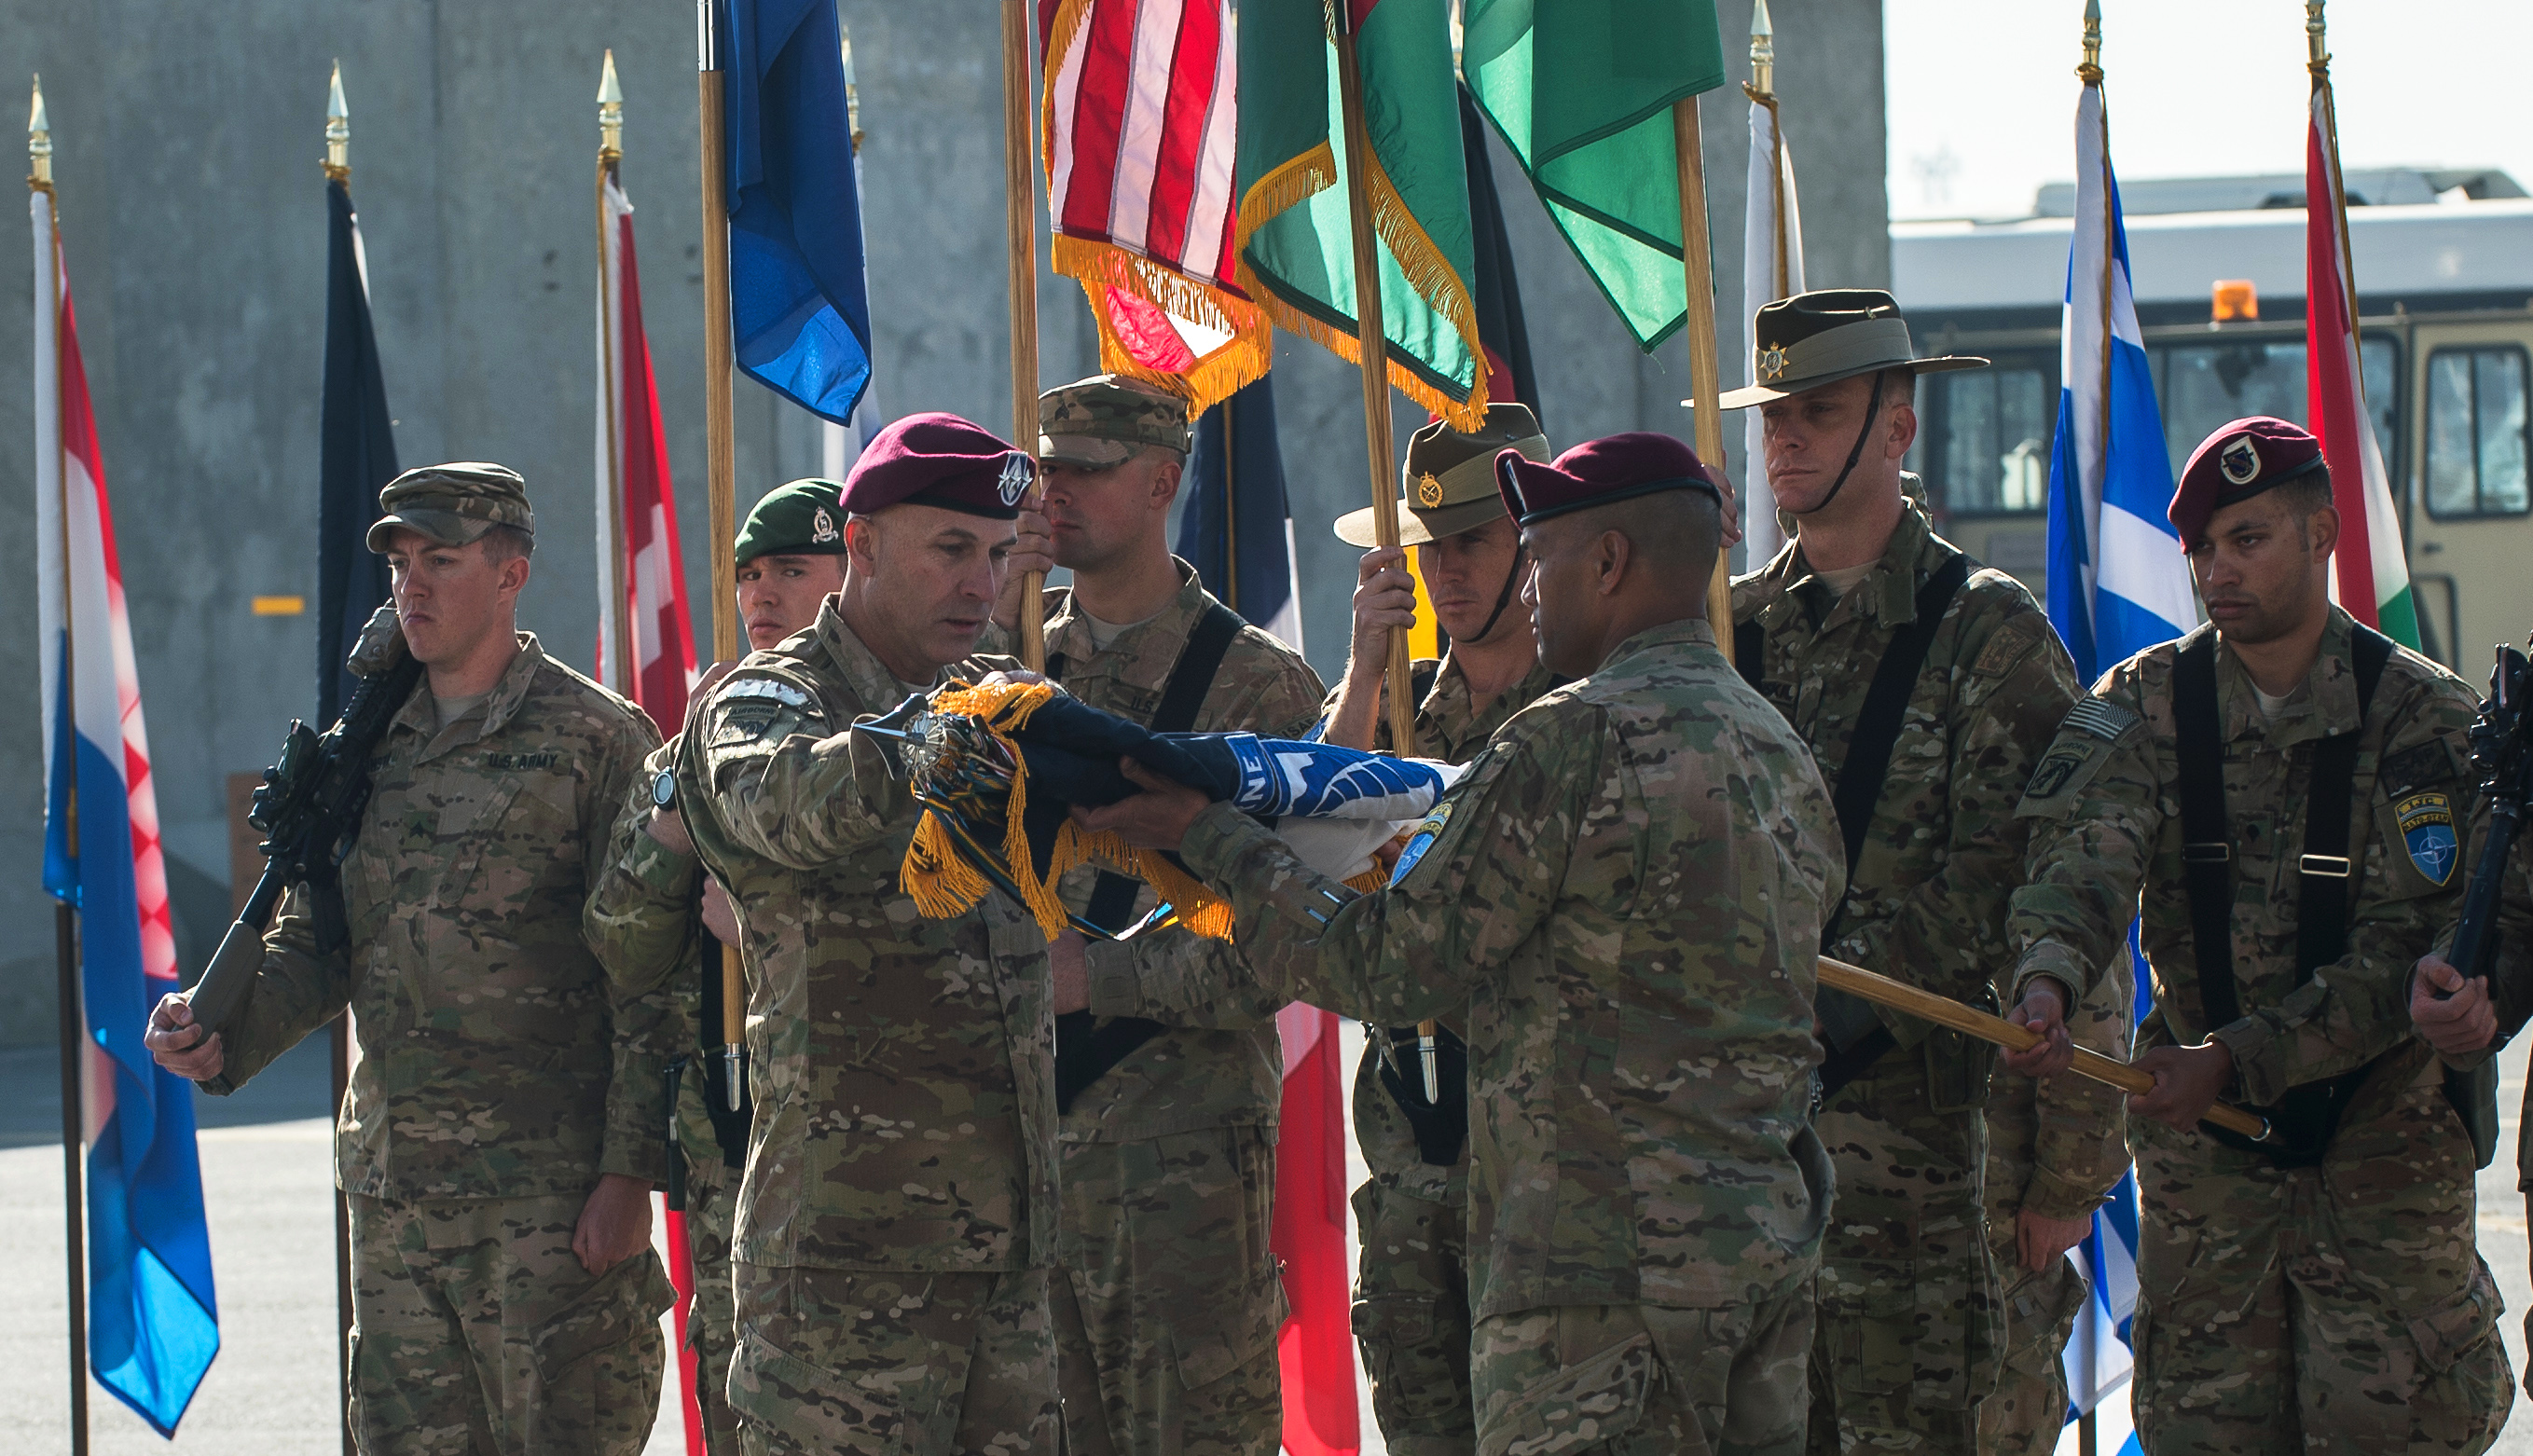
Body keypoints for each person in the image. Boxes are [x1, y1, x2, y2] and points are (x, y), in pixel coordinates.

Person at [1078, 432, 1843, 1455]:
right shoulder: (1774, 743)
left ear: (1608, 562)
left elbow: (1386, 964)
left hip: (1602, 1280)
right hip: (1756, 1253)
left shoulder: (1568, 736)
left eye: (1542, 554)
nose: (1528, 585)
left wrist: (1209, 836)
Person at [143, 462, 679, 1455]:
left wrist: (626, 1174)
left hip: (546, 1204)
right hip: (396, 1204)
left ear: (511, 573)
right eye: (399, 564)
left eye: (441, 559)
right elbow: (322, 941)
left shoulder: (596, 740)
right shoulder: (366, 747)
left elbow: (650, 973)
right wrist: (222, 1033)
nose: (411, 586)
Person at [2002, 416, 2509, 1453]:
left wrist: (2233, 1058)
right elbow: (2080, 866)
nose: (2214, 570)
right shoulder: (2142, 705)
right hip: (2210, 1187)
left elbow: (2406, 953)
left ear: (2321, 533)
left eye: (2246, 539)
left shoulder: (2422, 718)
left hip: (2381, 1168)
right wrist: (2046, 980)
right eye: (2200, 547)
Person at [1719, 289, 2084, 1452]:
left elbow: (2013, 872)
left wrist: (1825, 1002)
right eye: (1771, 416)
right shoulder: (1726, 632)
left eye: (1816, 413)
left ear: (1895, 428)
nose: (1783, 439)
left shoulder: (1986, 631)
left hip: (1911, 1166)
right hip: (1742, 1162)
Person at [670, 413, 1061, 1456]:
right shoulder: (773, 695)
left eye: (997, 555)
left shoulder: (997, 698)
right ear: (864, 545)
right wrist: (933, 742)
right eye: (951, 549)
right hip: (841, 1280)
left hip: (1008, 1264)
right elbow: (782, 801)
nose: (981, 584)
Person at [990, 375, 1324, 1456]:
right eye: (1046, 469)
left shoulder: (1255, 686)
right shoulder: (1003, 663)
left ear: (1161, 481)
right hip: (1014, 1160)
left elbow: (1283, 933)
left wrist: (1095, 976)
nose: (1055, 491)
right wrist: (994, 622)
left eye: (1087, 470)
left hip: (1174, 1164)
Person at [1315, 403, 1565, 1456]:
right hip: (1416, 1166)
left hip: (1553, 1176)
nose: (1445, 569)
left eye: (1472, 540)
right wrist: (1367, 666)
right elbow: (1309, 846)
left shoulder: (1581, 708)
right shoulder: (1399, 710)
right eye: (1428, 546)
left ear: (1533, 545)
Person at [583, 476, 850, 1456]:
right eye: (747, 574)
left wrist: (764, 926)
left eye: (792, 569)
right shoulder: (692, 749)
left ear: (853, 573)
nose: (762, 593)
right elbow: (621, 947)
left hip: (866, 1158)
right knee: (737, 1403)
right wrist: (674, 819)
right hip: (731, 1157)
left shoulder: (882, 739)